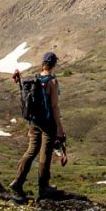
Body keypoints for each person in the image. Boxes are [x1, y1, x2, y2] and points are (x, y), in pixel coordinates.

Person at [9, 51, 66, 200]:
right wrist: (59, 128)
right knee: (45, 154)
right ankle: (43, 187)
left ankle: (18, 181)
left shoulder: (35, 79)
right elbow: (54, 107)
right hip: (47, 123)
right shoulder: (52, 81)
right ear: (54, 64)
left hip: (34, 122)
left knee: (31, 150)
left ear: (42, 63)